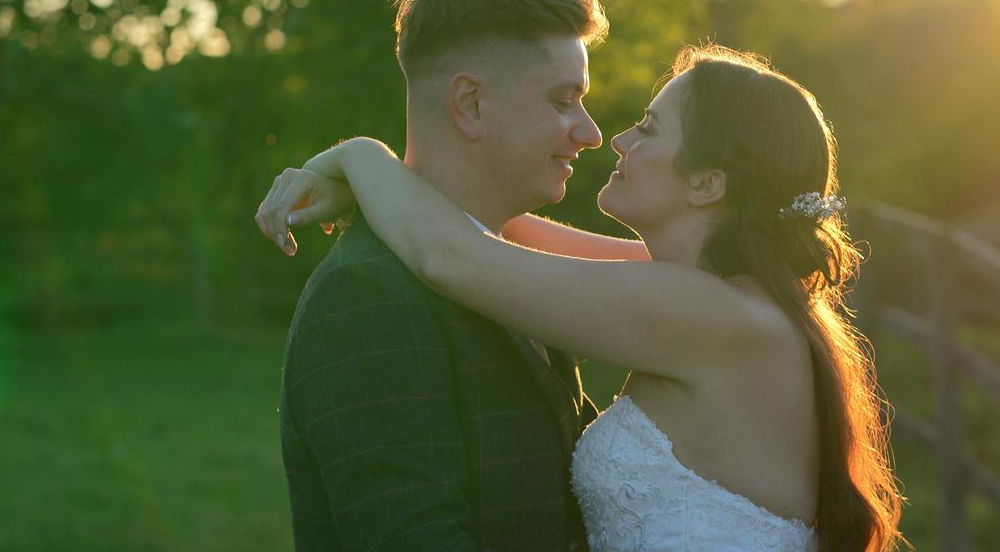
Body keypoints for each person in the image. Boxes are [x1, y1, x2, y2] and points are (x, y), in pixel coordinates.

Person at [258, 39, 906, 551]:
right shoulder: (734, 296)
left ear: (707, 183)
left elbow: (455, 256)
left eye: (649, 129)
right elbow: (489, 222)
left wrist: (356, 157)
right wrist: (384, 185)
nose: (615, 140)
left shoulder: (703, 313)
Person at [267, 0, 612, 550]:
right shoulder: (368, 298)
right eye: (563, 101)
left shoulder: (510, 263)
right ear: (471, 104)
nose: (590, 131)